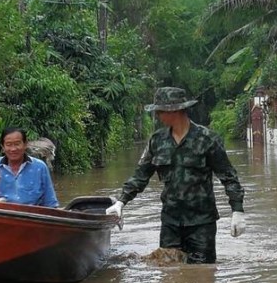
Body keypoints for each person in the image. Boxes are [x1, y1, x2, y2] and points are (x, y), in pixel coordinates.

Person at [105, 87, 246, 263]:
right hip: (170, 223)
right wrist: (121, 202)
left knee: (204, 277)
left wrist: (237, 211)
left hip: (201, 223)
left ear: (175, 111)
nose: (157, 115)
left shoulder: (207, 139)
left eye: (160, 111)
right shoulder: (157, 141)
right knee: (169, 278)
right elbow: (141, 175)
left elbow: (229, 177)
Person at [0, 127, 59, 207]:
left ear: (25, 144)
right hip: (2, 216)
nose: (13, 149)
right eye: (8, 145)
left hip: (32, 216)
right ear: (3, 147)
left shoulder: (40, 167)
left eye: (17, 144)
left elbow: (50, 202)